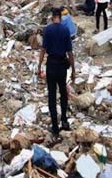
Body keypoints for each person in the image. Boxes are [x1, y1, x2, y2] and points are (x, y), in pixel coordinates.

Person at [37, 7, 75, 135]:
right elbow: (70, 52)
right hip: (62, 66)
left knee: (52, 96)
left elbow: (43, 50)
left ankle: (54, 127)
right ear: (60, 17)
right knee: (63, 93)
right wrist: (73, 70)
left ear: (53, 17)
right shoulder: (65, 30)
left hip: (51, 65)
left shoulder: (47, 30)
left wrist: (39, 66)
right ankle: (64, 120)